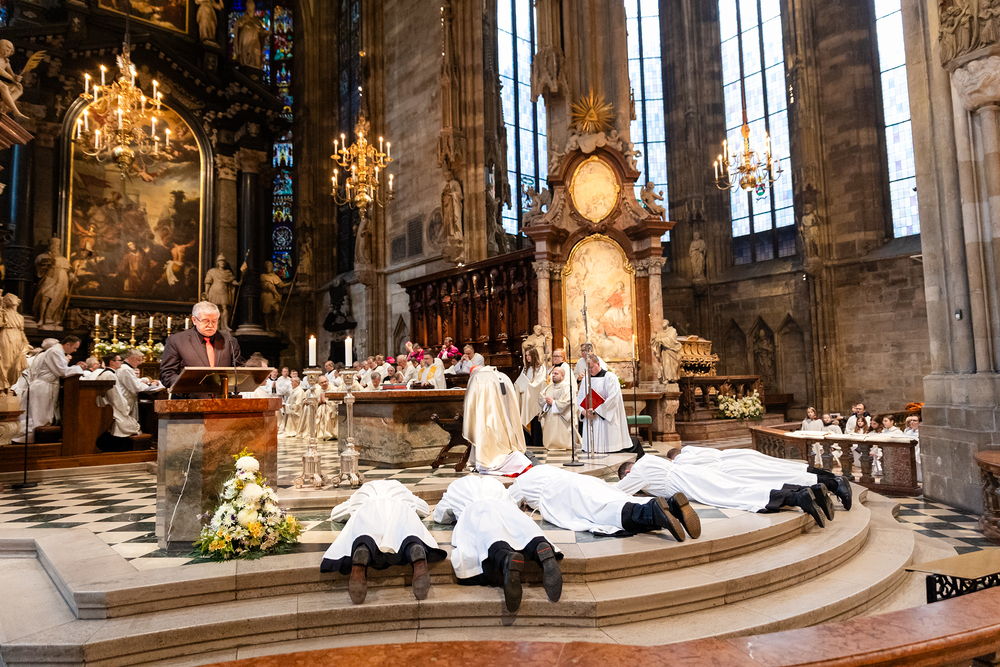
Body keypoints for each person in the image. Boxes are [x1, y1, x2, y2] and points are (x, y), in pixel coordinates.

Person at [433, 475, 562, 612]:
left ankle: (506, 558)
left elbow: (440, 515)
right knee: (523, 531)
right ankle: (540, 547)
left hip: (475, 509)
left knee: (488, 536)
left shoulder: (456, 486)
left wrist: (452, 514)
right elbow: (513, 501)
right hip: (507, 508)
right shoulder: (494, 483)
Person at [616, 454, 835, 529]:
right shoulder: (649, 460)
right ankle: (807, 491)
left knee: (737, 494)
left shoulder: (637, 471)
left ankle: (799, 497)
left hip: (689, 483)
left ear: (627, 472)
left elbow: (616, 491)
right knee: (740, 486)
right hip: (693, 473)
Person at [320, 480, 447, 604]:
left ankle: (362, 552)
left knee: (365, 531)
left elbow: (336, 513)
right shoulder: (400, 488)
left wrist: (353, 505)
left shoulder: (363, 491)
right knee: (406, 531)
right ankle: (415, 551)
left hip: (367, 508)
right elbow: (424, 508)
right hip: (400, 508)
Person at [508, 464, 688, 540]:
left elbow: (509, 502)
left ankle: (654, 513)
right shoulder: (543, 467)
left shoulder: (520, 482)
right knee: (617, 498)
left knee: (603, 511)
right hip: (583, 480)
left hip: (561, 493)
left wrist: (524, 504)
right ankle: (672, 505)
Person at [668, 445, 853, 511]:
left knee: (782, 475)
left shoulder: (681, 459)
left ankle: (833, 484)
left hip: (733, 468)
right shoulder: (692, 449)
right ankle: (832, 481)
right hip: (737, 457)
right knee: (785, 468)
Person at [159, 301, 243, 392]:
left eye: (214, 321)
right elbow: (167, 374)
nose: (210, 325)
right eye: (205, 321)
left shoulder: (230, 342)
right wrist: (185, 386)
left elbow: (239, 372)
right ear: (194, 320)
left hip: (222, 397)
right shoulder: (176, 341)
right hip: (189, 397)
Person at [463, 366, 532, 475]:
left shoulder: (478, 377)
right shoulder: (503, 376)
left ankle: (488, 460)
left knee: (487, 435)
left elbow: (470, 402)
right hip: (505, 417)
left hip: (487, 416)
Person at [15, 336, 86, 441]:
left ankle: (31, 440)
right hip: (43, 388)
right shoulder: (55, 351)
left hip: (43, 387)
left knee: (38, 417)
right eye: (74, 348)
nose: (75, 351)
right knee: (39, 418)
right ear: (67, 344)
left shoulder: (55, 351)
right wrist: (79, 368)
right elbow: (62, 371)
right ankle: (24, 440)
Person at [577, 353, 630, 453]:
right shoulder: (585, 379)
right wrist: (583, 411)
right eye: (587, 368)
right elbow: (579, 398)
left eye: (591, 367)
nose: (589, 370)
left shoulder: (610, 377)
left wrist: (597, 411)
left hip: (605, 418)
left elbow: (613, 398)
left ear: (598, 364)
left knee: (608, 447)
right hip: (589, 416)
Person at [90, 353, 143, 451]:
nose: (122, 362)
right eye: (119, 360)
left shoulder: (104, 374)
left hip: (106, 407)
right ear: (112, 362)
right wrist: (125, 409)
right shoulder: (110, 375)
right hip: (112, 409)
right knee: (131, 426)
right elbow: (116, 397)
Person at [118, 349, 162, 423]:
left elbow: (132, 382)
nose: (140, 363)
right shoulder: (126, 369)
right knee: (128, 423)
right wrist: (150, 385)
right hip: (126, 400)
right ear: (131, 358)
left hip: (128, 399)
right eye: (138, 360)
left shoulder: (125, 368)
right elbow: (136, 387)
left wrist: (141, 381)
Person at [539, 366, 576, 450]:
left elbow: (568, 401)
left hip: (562, 417)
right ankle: (550, 444)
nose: (553, 375)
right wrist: (546, 402)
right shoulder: (549, 387)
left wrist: (554, 403)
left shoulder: (567, 387)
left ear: (562, 375)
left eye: (556, 374)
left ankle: (562, 445)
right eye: (553, 373)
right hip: (550, 416)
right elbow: (541, 397)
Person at [516, 347, 547, 448]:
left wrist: (529, 386)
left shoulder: (541, 368)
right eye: (526, 356)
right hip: (525, 396)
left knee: (534, 417)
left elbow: (539, 381)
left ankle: (536, 441)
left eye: (529, 355)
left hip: (534, 396)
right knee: (524, 415)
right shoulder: (525, 368)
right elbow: (520, 379)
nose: (527, 357)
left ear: (534, 355)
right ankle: (527, 440)